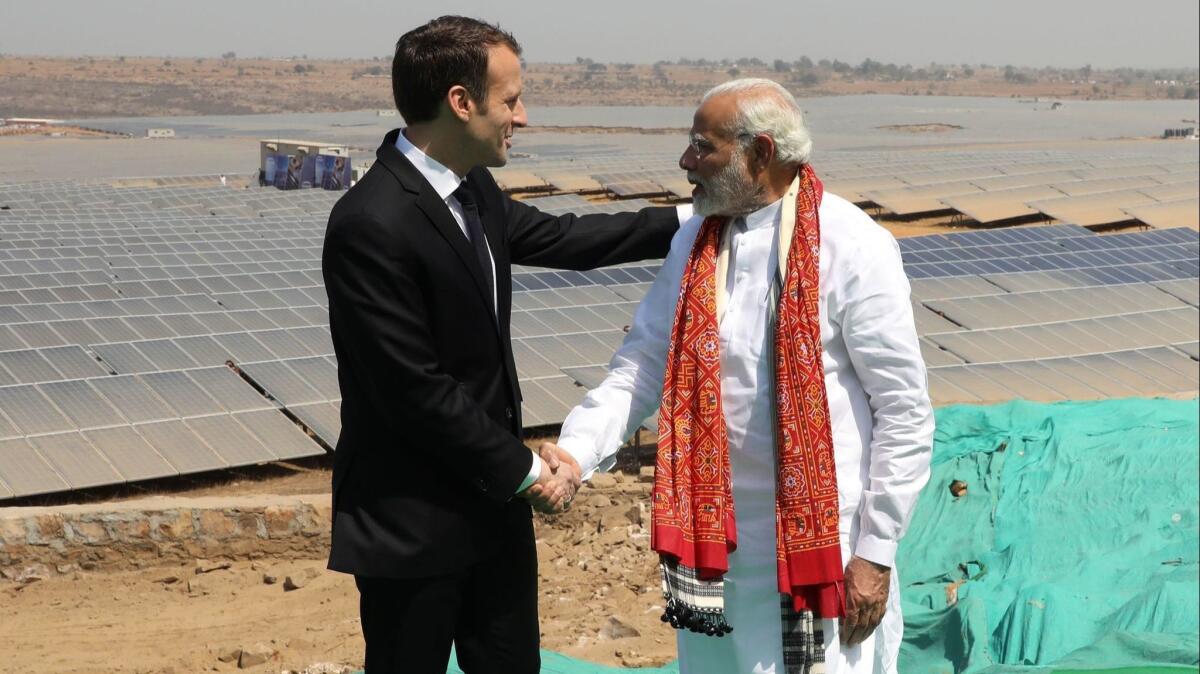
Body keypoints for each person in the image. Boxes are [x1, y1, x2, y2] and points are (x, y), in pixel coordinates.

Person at [321, 15, 683, 674]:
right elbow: (414, 388)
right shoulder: (371, 224)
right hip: (415, 523)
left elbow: (566, 239)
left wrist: (693, 219)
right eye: (511, 99)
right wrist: (525, 472)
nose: (523, 115)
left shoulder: (474, 191)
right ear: (461, 103)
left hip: (492, 518)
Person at [552, 79, 934, 674]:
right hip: (713, 542)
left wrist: (876, 553)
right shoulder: (696, 241)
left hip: (819, 547)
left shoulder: (851, 244)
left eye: (702, 148)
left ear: (760, 153)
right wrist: (577, 452)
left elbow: (904, 410)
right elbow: (644, 362)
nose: (686, 164)